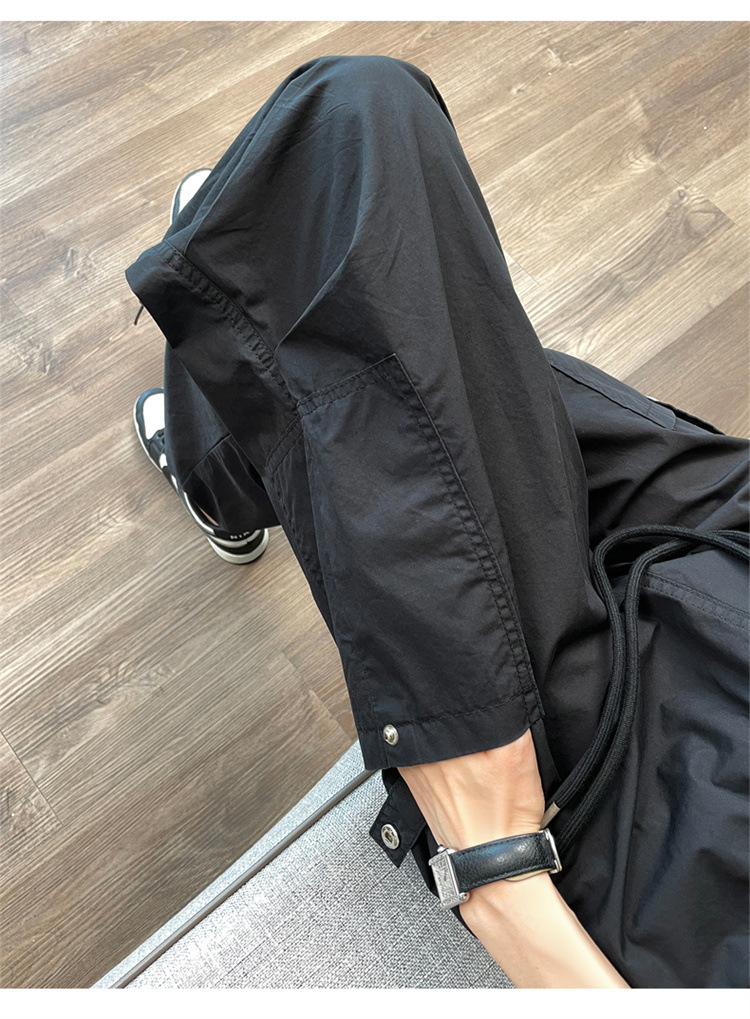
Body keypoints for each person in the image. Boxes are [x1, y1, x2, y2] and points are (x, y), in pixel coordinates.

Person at [127, 54, 749, 988]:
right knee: (437, 344)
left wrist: (498, 874)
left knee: (357, 126)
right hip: (729, 549)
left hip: (664, 822)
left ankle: (224, 443)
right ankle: (235, 393)